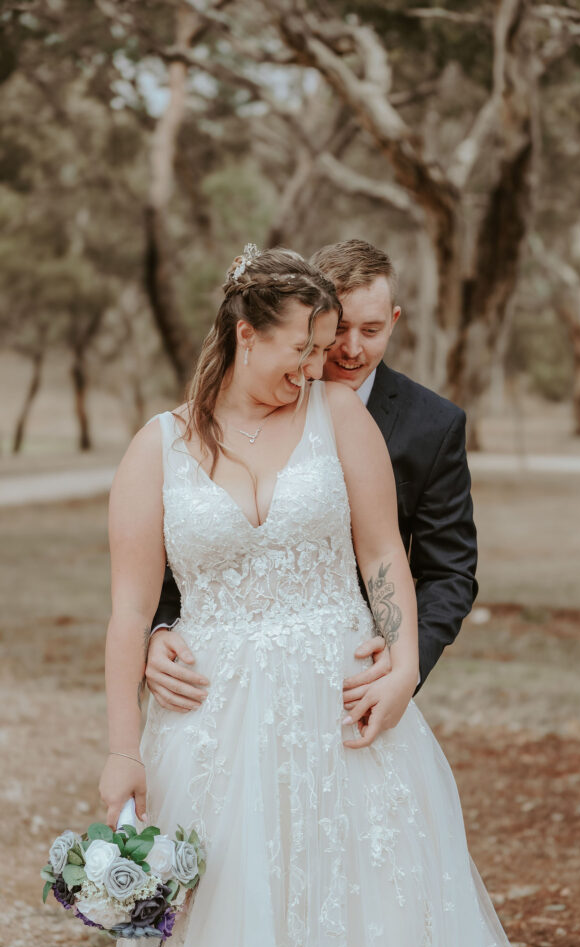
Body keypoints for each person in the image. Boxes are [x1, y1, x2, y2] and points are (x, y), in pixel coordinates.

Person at [102, 245, 580, 947]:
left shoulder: (338, 414)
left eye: (328, 350)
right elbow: (130, 609)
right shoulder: (155, 447)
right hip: (209, 724)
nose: (320, 366)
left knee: (366, 904)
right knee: (229, 913)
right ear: (246, 333)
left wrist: (399, 668)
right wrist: (123, 752)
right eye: (306, 349)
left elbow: (384, 552)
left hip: (340, 708)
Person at [144, 240, 478, 720]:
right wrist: (160, 629)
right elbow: (200, 533)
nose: (350, 349)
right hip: (226, 685)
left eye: (372, 329)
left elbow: (449, 570)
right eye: (336, 330)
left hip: (352, 678)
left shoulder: (433, 426)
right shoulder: (228, 417)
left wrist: (404, 665)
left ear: (396, 321)